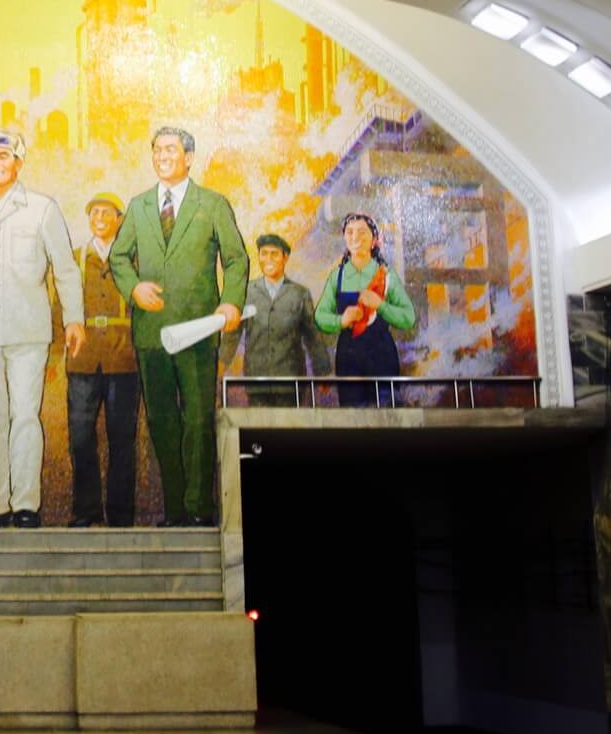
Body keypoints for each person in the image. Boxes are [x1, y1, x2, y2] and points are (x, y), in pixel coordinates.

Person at [108, 126, 248, 528]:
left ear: (189, 157)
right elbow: (119, 259)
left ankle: (200, 508)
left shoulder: (213, 204)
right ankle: (175, 512)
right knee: (163, 422)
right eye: (157, 150)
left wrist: (231, 300)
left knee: (199, 419)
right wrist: (134, 289)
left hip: (199, 331)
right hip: (152, 334)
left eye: (171, 149)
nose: (163, 156)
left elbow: (236, 259)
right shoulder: (137, 207)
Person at [0, 128, 84, 529]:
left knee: (24, 415)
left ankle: (26, 505)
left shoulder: (42, 209)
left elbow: (66, 268)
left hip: (28, 330)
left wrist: (74, 318)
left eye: (3, 158)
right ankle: (2, 505)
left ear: (18, 163)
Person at [65, 192, 139, 527]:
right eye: (94, 212)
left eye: (107, 213)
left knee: (122, 439)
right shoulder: (75, 258)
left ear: (119, 219)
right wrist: (56, 353)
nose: (99, 218)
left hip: (124, 360)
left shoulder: (133, 260)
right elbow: (60, 305)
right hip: (82, 361)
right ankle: (86, 511)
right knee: (80, 437)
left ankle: (121, 515)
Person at [314, 212, 416, 407]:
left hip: (382, 355)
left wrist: (381, 305)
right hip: (349, 358)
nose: (355, 238)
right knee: (353, 418)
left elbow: (408, 317)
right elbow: (320, 316)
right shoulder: (338, 276)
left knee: (387, 413)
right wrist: (341, 320)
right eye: (350, 232)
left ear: (374, 239)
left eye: (362, 232)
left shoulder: (386, 275)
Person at [232, 232, 324, 407]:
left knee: (289, 432)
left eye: (274, 254)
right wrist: (220, 365)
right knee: (257, 431)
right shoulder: (247, 292)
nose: (268, 259)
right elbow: (233, 334)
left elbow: (312, 336)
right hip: (256, 380)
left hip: (290, 381)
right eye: (264, 253)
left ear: (285, 257)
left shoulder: (300, 294)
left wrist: (323, 372)